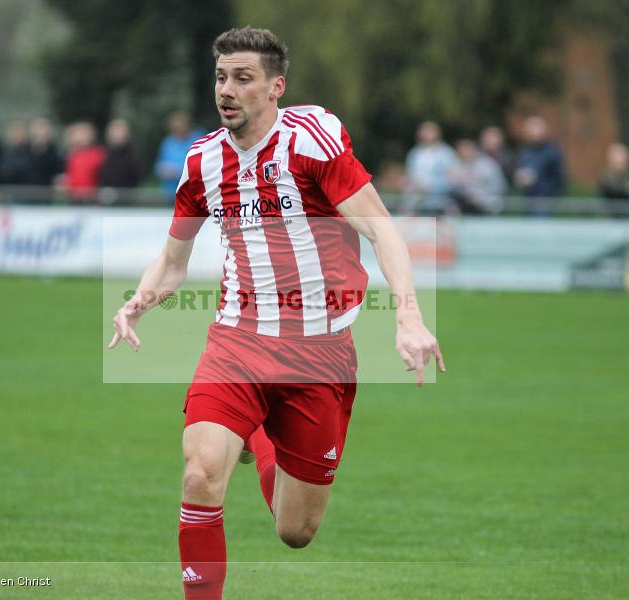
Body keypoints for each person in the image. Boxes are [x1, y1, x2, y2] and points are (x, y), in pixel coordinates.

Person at [107, 27, 445, 599]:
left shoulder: (312, 141)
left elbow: (383, 230)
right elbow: (172, 261)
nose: (227, 90)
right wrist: (138, 301)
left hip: (320, 355)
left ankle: (259, 434)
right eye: (221, 77)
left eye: (243, 78)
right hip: (237, 342)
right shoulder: (202, 161)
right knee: (200, 474)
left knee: (296, 531)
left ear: (275, 87)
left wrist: (408, 316)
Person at [403, 121, 457, 213]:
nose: (427, 134)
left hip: (441, 203)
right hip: (417, 202)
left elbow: (452, 179)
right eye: (424, 131)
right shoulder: (414, 153)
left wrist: (429, 187)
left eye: (430, 131)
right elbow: (409, 176)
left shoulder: (446, 153)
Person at [514, 116, 564, 215]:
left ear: (544, 131)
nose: (534, 132)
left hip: (544, 202)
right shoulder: (524, 151)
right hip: (527, 200)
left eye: (536, 128)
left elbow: (559, 178)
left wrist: (547, 195)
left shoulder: (552, 152)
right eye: (530, 129)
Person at [155, 111, 204, 202]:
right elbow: (158, 168)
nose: (178, 134)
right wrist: (164, 170)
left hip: (194, 196)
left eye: (180, 129)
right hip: (170, 195)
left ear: (188, 126)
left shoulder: (199, 140)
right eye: (175, 131)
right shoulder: (168, 142)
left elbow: (204, 167)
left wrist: (178, 172)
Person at [448, 138, 506, 214]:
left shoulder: (488, 165)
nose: (464, 153)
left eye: (467, 150)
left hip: (487, 205)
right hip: (466, 205)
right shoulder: (457, 166)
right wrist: (454, 181)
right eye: (461, 151)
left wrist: (479, 197)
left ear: (474, 150)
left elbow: (499, 187)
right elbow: (455, 190)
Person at [63, 121, 106, 202]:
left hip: (92, 198)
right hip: (74, 198)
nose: (82, 137)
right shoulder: (71, 156)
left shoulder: (98, 154)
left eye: (85, 134)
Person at [99, 118, 141, 194]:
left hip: (126, 195)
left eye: (121, 131)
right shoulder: (103, 155)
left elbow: (136, 178)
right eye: (115, 131)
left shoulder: (132, 157)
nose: (118, 134)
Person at [28, 117, 64, 190]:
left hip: (47, 192)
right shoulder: (25, 150)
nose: (42, 130)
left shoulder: (56, 153)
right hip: (25, 191)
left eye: (45, 127)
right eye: (39, 126)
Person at [0, 119, 33, 186]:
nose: (17, 134)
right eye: (15, 130)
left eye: (20, 130)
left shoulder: (33, 153)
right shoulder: (3, 153)